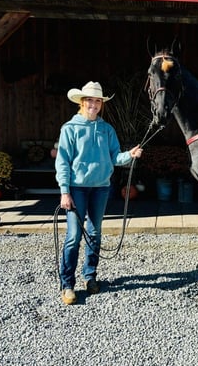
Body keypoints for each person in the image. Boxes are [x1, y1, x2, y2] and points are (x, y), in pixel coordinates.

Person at [55, 81, 143, 305]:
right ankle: (67, 284)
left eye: (97, 101)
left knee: (94, 233)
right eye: (89, 100)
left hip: (101, 187)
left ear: (100, 104)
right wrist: (65, 192)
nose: (93, 105)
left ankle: (90, 276)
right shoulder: (70, 129)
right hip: (77, 188)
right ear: (82, 103)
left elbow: (115, 157)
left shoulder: (107, 129)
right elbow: (63, 162)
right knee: (74, 236)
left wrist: (129, 155)